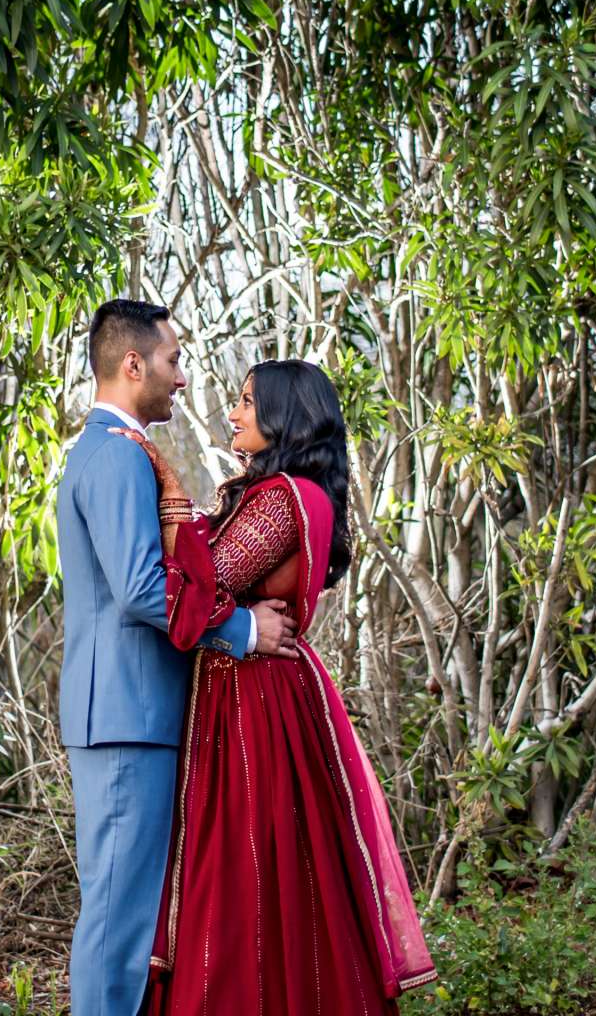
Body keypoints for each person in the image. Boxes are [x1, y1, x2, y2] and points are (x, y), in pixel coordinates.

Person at [112, 358, 436, 1016]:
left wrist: (167, 484)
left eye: (248, 403)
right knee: (280, 879)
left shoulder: (285, 498)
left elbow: (207, 587)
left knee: (245, 876)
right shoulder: (296, 494)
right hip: (264, 693)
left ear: (285, 416)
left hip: (254, 700)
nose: (234, 414)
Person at [58, 300, 295, 1016]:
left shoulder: (114, 452)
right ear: (134, 365)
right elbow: (139, 588)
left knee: (126, 912)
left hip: (129, 712)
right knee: (118, 921)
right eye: (173, 360)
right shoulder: (115, 454)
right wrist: (243, 632)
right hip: (127, 715)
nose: (182, 378)